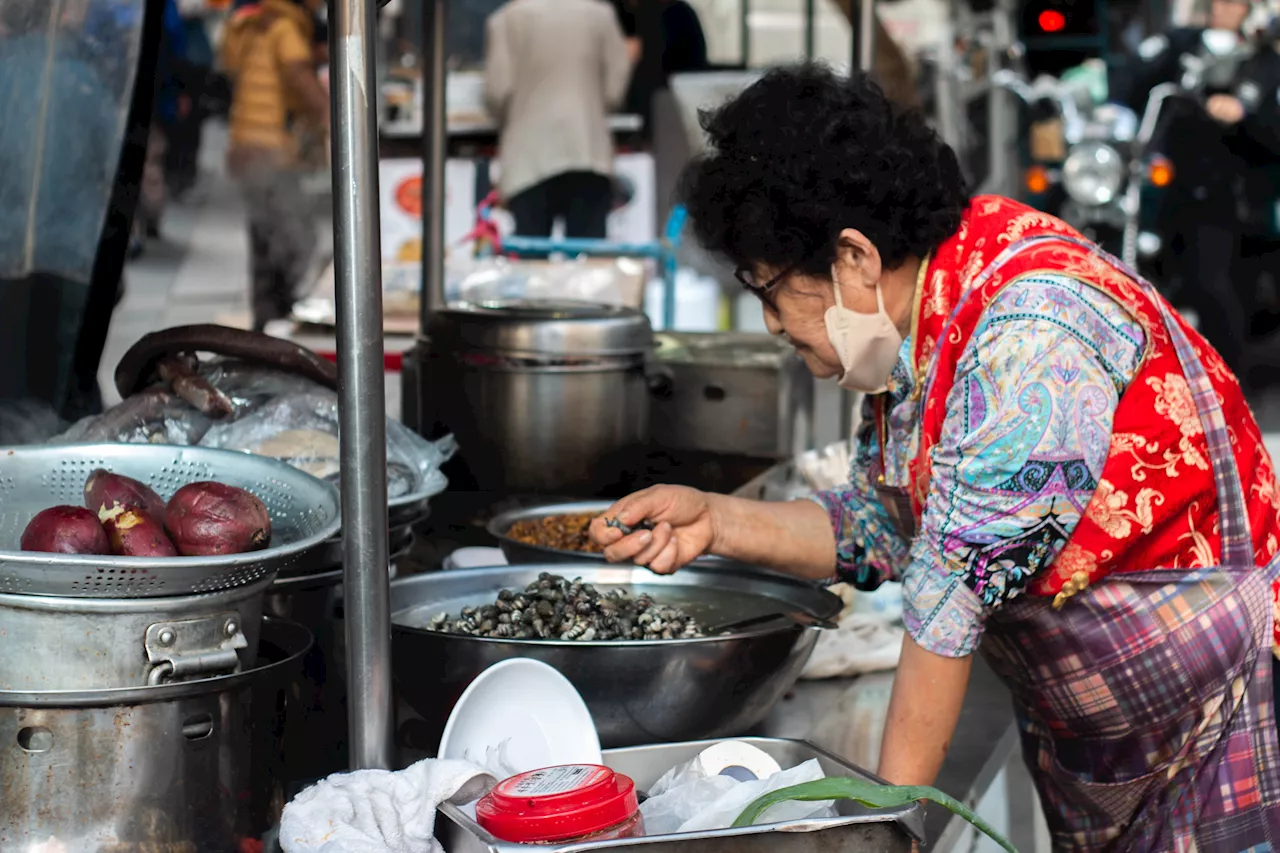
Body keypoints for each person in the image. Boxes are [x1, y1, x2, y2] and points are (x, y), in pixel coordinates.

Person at [590, 64, 1280, 850]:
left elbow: (946, 598)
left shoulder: (1030, 331)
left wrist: (888, 825)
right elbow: (879, 532)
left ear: (852, 257)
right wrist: (714, 520)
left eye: (769, 288)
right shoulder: (915, 328)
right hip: (1111, 747)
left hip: (1219, 722)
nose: (773, 324)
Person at [1111, 0, 1280, 385]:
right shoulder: (1182, 45)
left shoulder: (1264, 61)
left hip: (1236, 199)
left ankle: (1226, 386)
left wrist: (1243, 112)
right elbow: (1134, 80)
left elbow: (1271, 129)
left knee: (1217, 288)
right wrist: (1114, 113)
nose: (1223, 7)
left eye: (1234, 2)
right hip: (1173, 190)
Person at [483, 0, 633, 239]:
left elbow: (496, 93)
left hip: (528, 160)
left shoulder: (505, 19)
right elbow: (615, 88)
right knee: (588, 262)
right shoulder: (601, 15)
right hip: (587, 152)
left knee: (531, 262)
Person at [220, 0, 328, 331]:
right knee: (296, 239)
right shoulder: (284, 28)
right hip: (272, 149)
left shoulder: (250, 25)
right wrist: (331, 114)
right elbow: (298, 75)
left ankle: (265, 321)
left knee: (264, 237)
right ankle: (288, 317)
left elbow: (229, 66)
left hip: (245, 144)